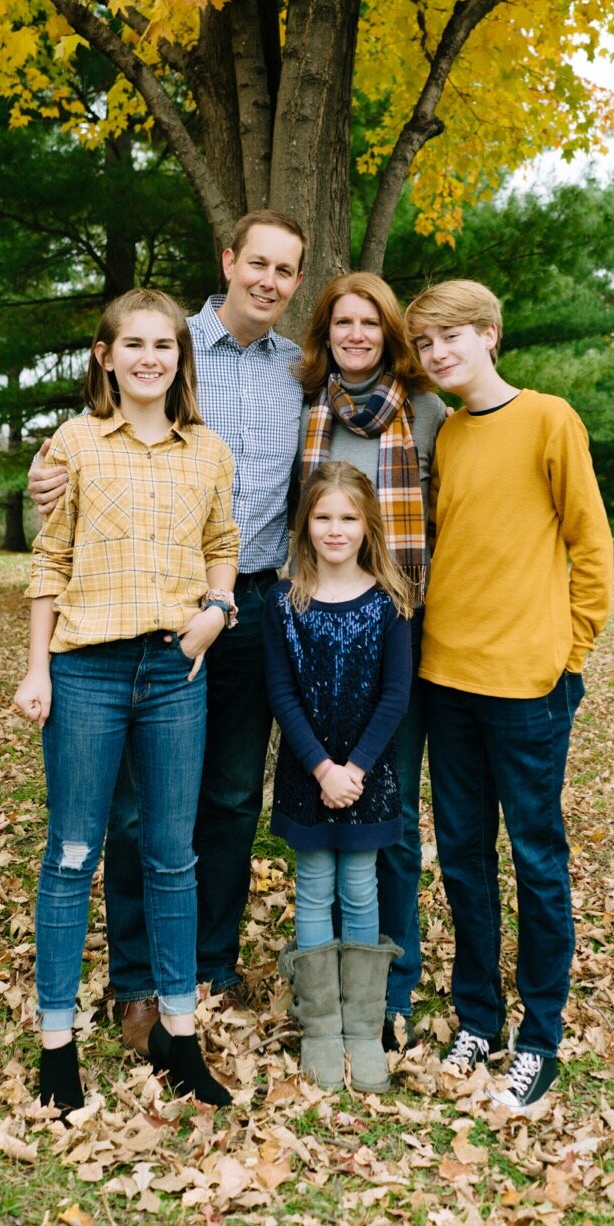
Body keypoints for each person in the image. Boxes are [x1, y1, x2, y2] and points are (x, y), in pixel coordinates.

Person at [30, 212, 308, 1053]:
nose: (268, 279)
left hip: (247, 602)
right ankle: (135, 982)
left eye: (285, 269)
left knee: (225, 794)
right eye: (255, 261)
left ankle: (205, 964)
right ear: (228, 262)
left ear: (296, 280)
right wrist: (44, 468)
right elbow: (87, 451)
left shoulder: (300, 368)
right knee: (131, 810)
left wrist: (223, 605)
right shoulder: (166, 338)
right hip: (137, 620)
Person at [13, 290, 239, 1114]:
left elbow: (223, 547)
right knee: (73, 852)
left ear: (182, 357)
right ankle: (57, 1048)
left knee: (173, 857)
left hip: (174, 674)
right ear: (105, 356)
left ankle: (180, 1035)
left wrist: (215, 614)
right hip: (87, 674)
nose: (151, 357)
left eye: (165, 345)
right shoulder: (72, 446)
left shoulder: (207, 452)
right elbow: (49, 561)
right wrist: (36, 668)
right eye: (133, 344)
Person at [407, 279, 614, 1119]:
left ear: (490, 334)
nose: (438, 353)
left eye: (452, 337)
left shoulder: (549, 418)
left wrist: (570, 656)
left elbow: (590, 543)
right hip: (445, 680)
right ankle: (478, 1020)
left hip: (528, 686)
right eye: (425, 345)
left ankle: (541, 1036)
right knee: (461, 857)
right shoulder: (448, 435)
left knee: (536, 857)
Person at [291, 272, 446, 1051]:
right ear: (328, 330)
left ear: (389, 333)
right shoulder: (308, 407)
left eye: (371, 323)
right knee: (324, 811)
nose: (357, 334)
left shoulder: (425, 411)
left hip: (398, 629)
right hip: (317, 638)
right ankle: (322, 1000)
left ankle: (392, 991)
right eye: (343, 322)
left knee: (390, 817)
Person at [268, 461, 415, 1094]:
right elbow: (281, 692)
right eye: (323, 517)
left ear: (367, 525)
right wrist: (321, 767)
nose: (335, 529)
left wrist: (352, 768)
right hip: (308, 776)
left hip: (368, 778)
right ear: (305, 524)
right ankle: (322, 1029)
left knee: (361, 890)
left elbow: (395, 694)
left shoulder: (389, 602)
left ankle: (364, 1024)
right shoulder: (285, 601)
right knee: (313, 887)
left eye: (348, 518)